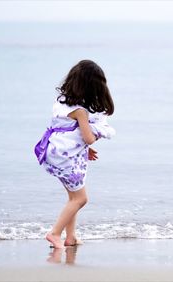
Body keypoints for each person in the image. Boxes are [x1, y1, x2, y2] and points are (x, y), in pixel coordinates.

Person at [35, 60, 115, 248]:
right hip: (65, 159)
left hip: (54, 152)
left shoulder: (62, 102)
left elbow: (66, 131)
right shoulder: (80, 111)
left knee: (73, 198)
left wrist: (85, 149)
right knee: (81, 199)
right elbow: (87, 137)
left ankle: (70, 237)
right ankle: (55, 234)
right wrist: (99, 133)